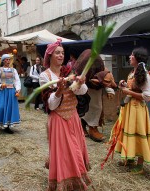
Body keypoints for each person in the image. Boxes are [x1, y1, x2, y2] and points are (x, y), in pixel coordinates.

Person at [39, 39, 91, 190]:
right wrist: (59, 91)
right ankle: (63, 183)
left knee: (75, 150)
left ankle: (77, 180)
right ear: (50, 56)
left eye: (62, 53)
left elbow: (82, 91)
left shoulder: (69, 72)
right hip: (58, 119)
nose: (61, 55)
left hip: (73, 116)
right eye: (57, 53)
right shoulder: (45, 76)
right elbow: (51, 105)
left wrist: (80, 83)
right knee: (63, 153)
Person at [110, 47, 150, 173]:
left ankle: (140, 166)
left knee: (139, 133)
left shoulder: (145, 74)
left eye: (131, 55)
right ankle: (129, 159)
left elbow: (147, 96)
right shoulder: (133, 72)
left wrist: (127, 91)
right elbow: (133, 88)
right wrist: (124, 86)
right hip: (130, 108)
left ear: (137, 58)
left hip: (138, 110)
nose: (129, 57)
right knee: (129, 132)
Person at [0, 54, 21, 135]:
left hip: (11, 92)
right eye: (6, 60)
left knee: (9, 108)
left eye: (9, 59)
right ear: (3, 61)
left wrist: (17, 90)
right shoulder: (0, 70)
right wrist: (0, 86)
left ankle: (7, 126)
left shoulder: (14, 70)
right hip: (3, 91)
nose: (8, 61)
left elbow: (17, 81)